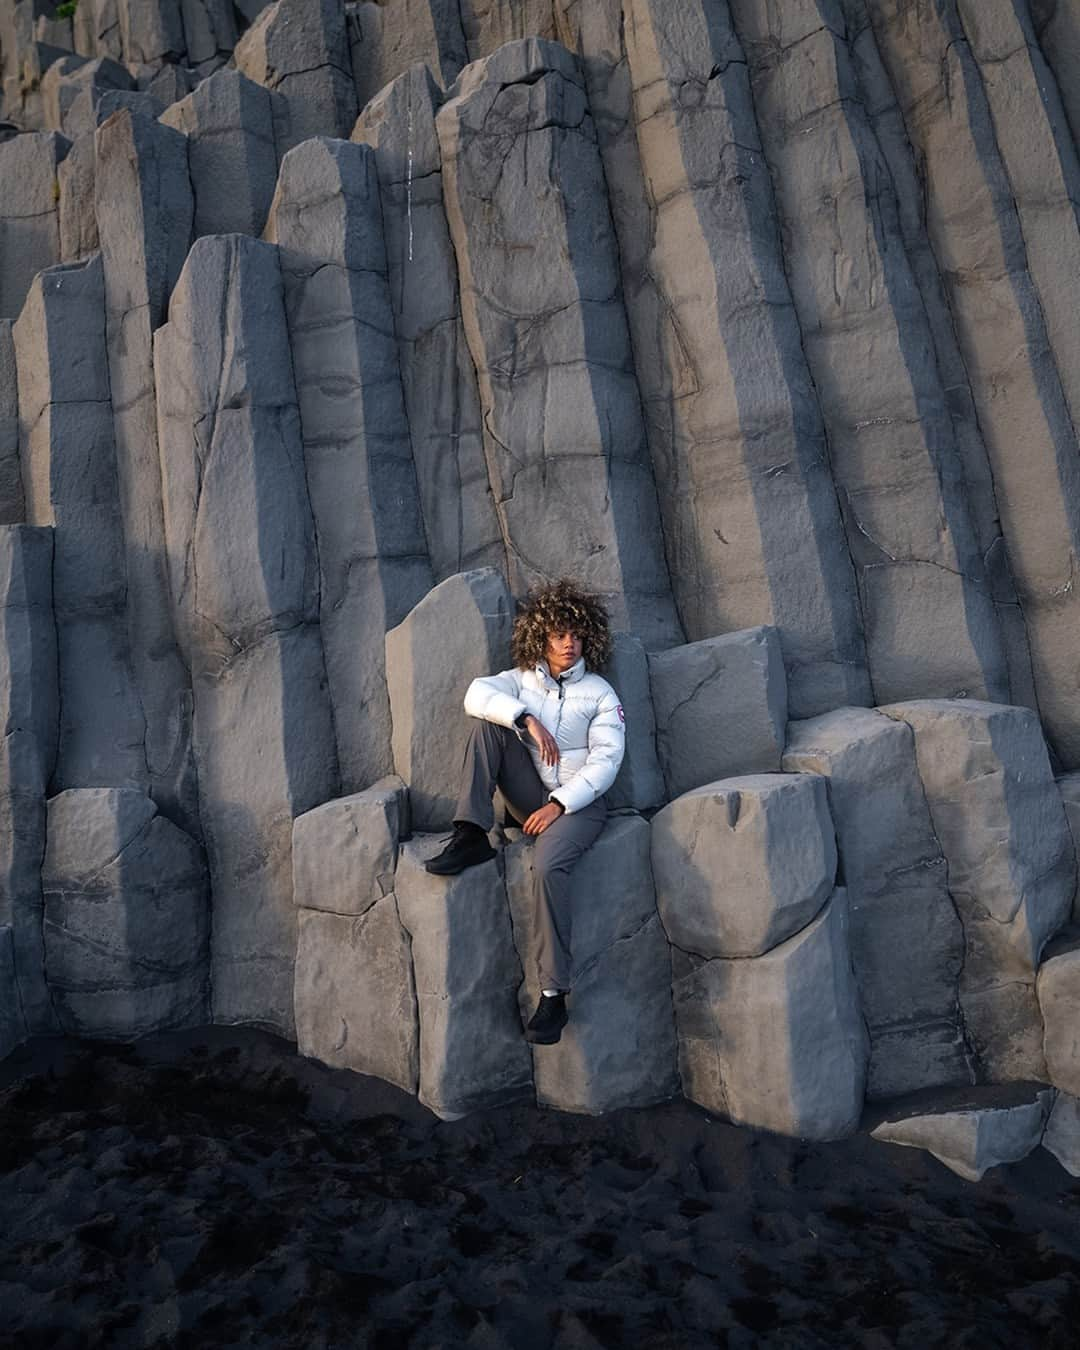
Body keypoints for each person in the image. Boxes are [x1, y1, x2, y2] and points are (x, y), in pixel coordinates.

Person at [425, 579, 625, 1046]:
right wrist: (524, 718)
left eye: (575, 635)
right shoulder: (521, 679)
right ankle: (471, 834)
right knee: (487, 729)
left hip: (580, 806)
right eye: (558, 635)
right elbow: (476, 694)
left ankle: (553, 995)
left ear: (587, 638)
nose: (568, 644)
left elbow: (607, 761)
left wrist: (560, 804)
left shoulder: (600, 693)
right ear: (541, 638)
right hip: (530, 793)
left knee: (549, 866)